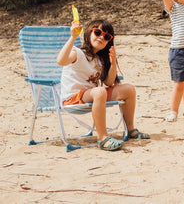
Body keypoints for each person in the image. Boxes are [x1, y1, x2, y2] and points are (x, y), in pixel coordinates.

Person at [57, 19, 150, 151]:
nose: (101, 37)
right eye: (98, 32)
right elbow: (61, 61)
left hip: (92, 97)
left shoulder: (100, 59)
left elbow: (109, 82)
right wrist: (73, 37)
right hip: (72, 98)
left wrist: (112, 63)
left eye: (106, 36)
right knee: (99, 91)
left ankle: (131, 130)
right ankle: (102, 138)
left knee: (129, 89)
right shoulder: (77, 53)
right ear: (89, 32)